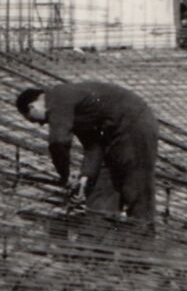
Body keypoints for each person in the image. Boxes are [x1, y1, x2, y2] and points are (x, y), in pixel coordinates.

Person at [16, 82, 159, 232]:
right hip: (112, 134)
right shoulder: (73, 111)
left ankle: (142, 237)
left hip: (134, 126)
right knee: (100, 185)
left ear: (33, 107)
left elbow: (58, 142)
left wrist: (65, 175)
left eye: (34, 120)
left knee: (136, 182)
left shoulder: (59, 98)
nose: (40, 124)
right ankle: (100, 237)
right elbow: (93, 147)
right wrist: (85, 177)